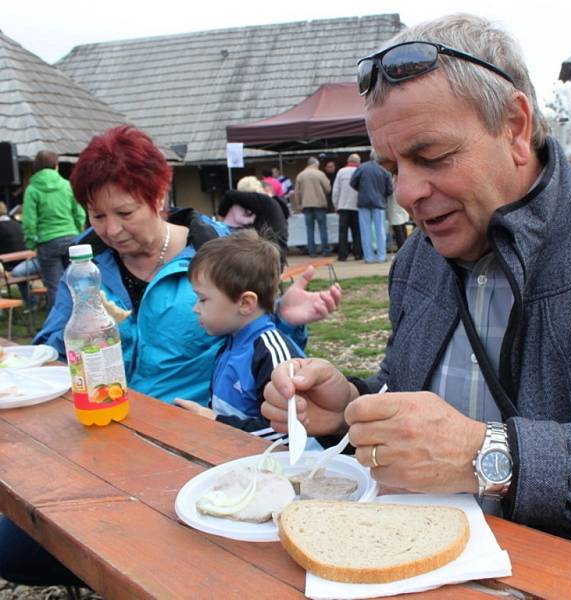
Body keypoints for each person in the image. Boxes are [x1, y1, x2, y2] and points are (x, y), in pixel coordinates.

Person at [262, 14, 571, 572]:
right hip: (413, 567)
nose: (406, 193)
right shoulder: (416, 261)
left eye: (431, 156)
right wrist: (350, 406)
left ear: (516, 127)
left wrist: (486, 456)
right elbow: (428, 407)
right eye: (390, 166)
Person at [0, 125, 342, 591]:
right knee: (12, 547)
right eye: (97, 215)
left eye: (124, 212)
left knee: (153, 556)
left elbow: (265, 344)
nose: (111, 229)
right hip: (102, 436)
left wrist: (288, 315)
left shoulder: (216, 252)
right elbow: (53, 344)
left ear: (159, 195)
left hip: (190, 446)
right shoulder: (89, 264)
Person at [175, 230, 313, 446]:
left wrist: (215, 423)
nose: (195, 308)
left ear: (245, 303)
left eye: (203, 299)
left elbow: (287, 434)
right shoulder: (231, 341)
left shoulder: (270, 354)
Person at [21, 150, 86, 307]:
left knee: (54, 286)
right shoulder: (66, 186)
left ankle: (59, 325)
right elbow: (79, 213)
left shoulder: (32, 189)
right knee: (77, 282)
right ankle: (82, 316)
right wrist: (78, 233)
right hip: (71, 237)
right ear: (56, 166)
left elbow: (29, 221)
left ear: (35, 167)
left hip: (47, 241)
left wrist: (31, 242)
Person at [218, 189, 288, 266]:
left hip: (268, 256)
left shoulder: (262, 201)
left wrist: (222, 214)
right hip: (276, 255)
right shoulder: (271, 206)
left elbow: (230, 194)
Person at [350, 153, 393, 263]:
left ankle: (368, 257)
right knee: (380, 231)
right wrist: (382, 195)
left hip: (363, 202)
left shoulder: (362, 167)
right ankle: (381, 256)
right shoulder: (384, 170)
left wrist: (361, 190)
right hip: (379, 203)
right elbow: (390, 189)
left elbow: (352, 182)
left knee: (365, 231)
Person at [295, 157, 331, 256]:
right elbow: (328, 189)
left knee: (309, 229)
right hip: (319, 204)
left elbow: (297, 193)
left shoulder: (300, 175)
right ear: (315, 164)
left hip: (306, 205)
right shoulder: (320, 174)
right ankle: (325, 250)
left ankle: (312, 252)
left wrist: (299, 205)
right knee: (322, 228)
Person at [331, 153, 364, 261]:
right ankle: (358, 254)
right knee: (357, 232)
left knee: (343, 232)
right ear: (358, 162)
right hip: (357, 207)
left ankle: (342, 255)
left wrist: (336, 205)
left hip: (343, 206)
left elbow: (335, 190)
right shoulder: (360, 171)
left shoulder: (341, 172)